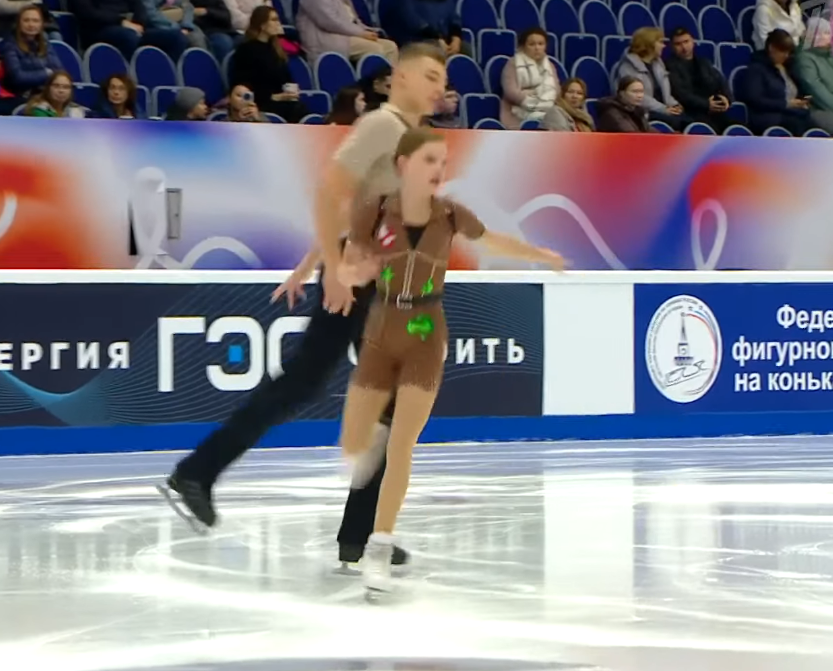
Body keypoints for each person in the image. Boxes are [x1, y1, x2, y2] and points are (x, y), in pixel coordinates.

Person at [159, 42, 449, 571]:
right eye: (429, 75)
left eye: (443, 78)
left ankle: (355, 532)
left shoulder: (409, 138)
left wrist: (310, 263)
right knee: (315, 386)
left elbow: (356, 209)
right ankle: (199, 472)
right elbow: (329, 190)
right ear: (401, 77)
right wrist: (333, 268)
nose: (439, 86)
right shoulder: (382, 126)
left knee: (360, 396)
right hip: (358, 281)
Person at [337, 128, 566, 596]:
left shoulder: (451, 213)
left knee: (402, 444)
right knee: (368, 438)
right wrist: (352, 271)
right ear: (403, 164)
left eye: (442, 162)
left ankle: (379, 545)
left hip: (426, 329)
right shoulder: (374, 210)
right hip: (381, 328)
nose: (439, 170)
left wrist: (539, 255)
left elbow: (493, 241)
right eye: (429, 160)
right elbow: (347, 263)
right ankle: (363, 494)